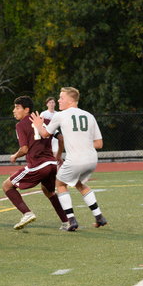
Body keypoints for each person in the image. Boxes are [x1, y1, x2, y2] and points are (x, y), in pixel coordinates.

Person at [31, 87, 107, 231]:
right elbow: (99, 144)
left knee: (60, 184)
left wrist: (38, 125)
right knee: (79, 184)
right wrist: (83, 144)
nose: (58, 100)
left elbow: (45, 134)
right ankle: (99, 217)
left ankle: (71, 220)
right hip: (91, 160)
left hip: (76, 160)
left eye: (61, 98)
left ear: (71, 100)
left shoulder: (60, 115)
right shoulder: (89, 115)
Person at [2, 95, 68, 230]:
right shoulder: (46, 121)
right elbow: (61, 138)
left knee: (7, 186)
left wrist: (14, 156)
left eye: (17, 108)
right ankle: (66, 221)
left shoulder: (21, 125)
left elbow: (24, 149)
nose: (14, 111)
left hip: (38, 165)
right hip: (51, 164)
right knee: (49, 192)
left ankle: (27, 213)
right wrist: (58, 156)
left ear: (26, 110)